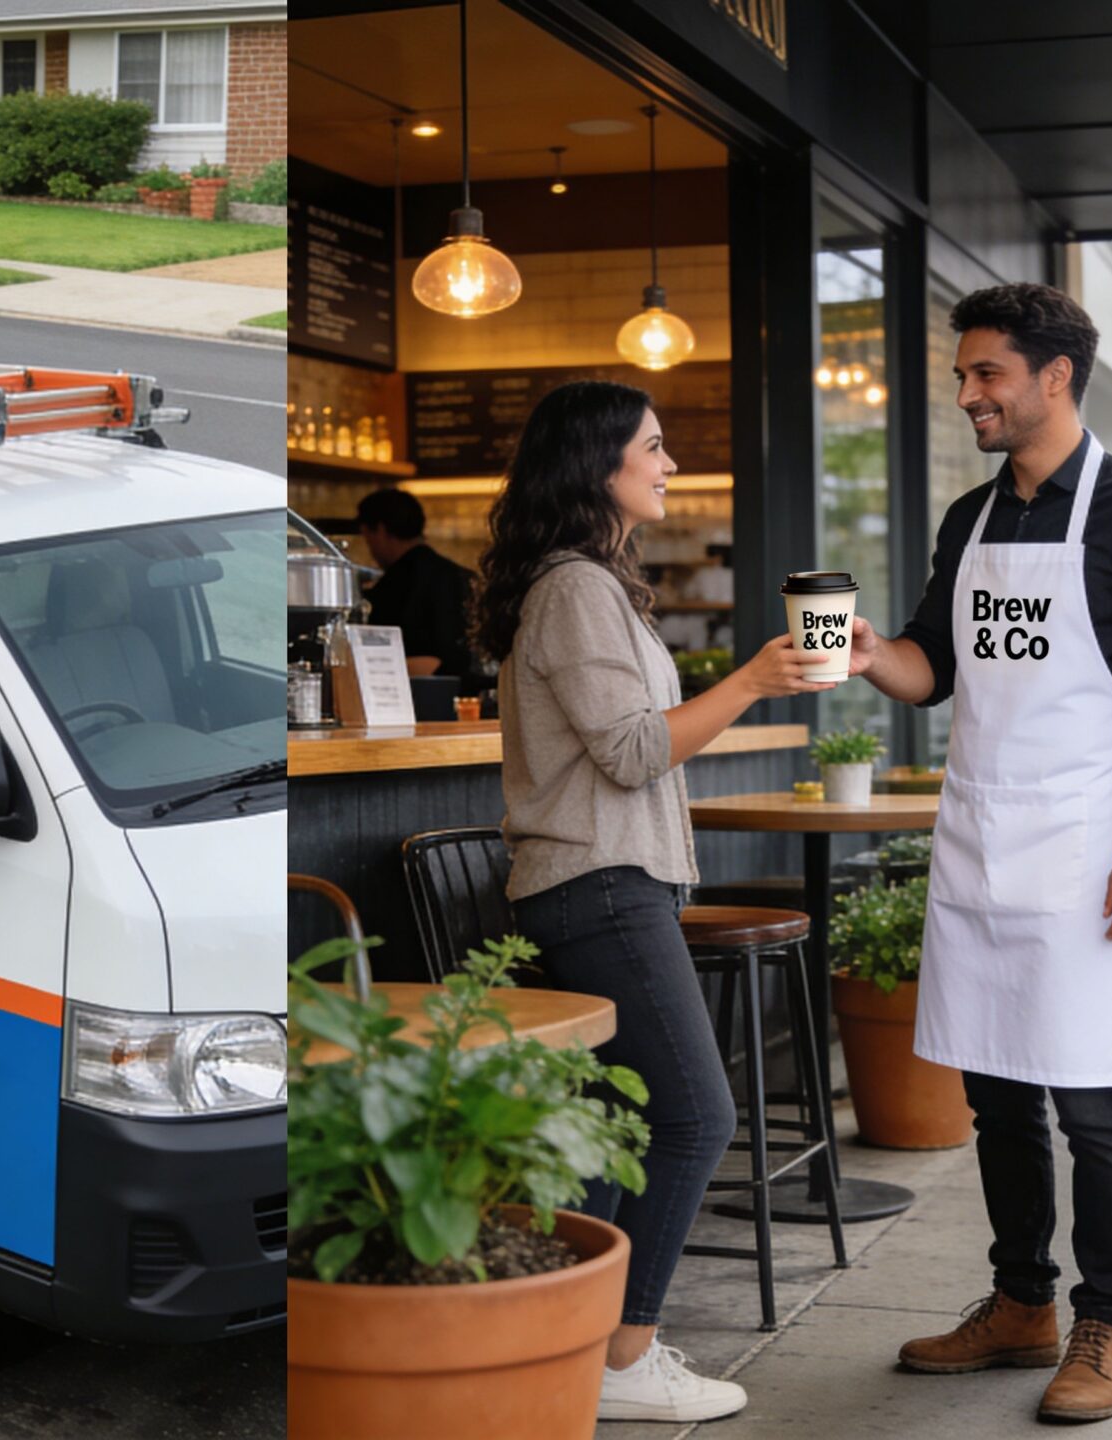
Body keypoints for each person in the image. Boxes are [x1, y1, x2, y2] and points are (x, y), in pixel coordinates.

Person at [842, 283, 1112, 1425]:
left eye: (986, 373)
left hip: (1087, 851)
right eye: (962, 375)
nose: (967, 395)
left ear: (1055, 377)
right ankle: (1020, 1304)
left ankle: (1107, 1322)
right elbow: (930, 668)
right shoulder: (969, 520)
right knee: (995, 1099)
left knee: (1093, 1106)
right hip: (979, 841)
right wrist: (865, 653)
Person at [475, 380, 836, 1425]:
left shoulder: (591, 583)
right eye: (655, 446)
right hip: (596, 888)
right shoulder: (576, 588)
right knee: (694, 1116)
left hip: (610, 886)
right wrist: (750, 681)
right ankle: (621, 1359)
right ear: (599, 465)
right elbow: (633, 753)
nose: (671, 463)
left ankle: (559, 1343)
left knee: (624, 1129)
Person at [355, 486, 476, 679]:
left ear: (380, 530)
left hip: (421, 698)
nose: (372, 551)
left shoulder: (391, 587)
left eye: (368, 541)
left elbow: (379, 661)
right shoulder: (462, 575)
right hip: (478, 699)